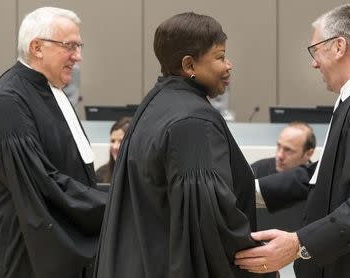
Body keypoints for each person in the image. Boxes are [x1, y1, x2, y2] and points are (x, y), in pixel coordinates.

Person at [235, 4, 350, 278]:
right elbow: (327, 174)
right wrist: (250, 190)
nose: (313, 61)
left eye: (316, 50)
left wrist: (299, 244)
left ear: (339, 47)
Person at [94, 12, 272, 278]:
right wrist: (262, 266)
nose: (228, 65)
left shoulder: (153, 104)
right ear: (189, 65)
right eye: (220, 57)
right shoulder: (193, 121)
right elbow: (211, 222)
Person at [0, 7, 107, 278]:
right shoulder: (7, 102)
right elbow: (41, 184)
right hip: (15, 259)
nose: (77, 57)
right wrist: (115, 203)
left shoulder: (52, 93)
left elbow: (73, 174)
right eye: (70, 46)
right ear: (37, 47)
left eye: (79, 46)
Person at [253, 122, 316, 229]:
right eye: (279, 146)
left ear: (308, 153)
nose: (279, 155)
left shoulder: (318, 183)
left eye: (288, 150)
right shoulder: (257, 170)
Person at [95, 117, 131, 183]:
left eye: (121, 141)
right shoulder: (100, 174)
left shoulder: (142, 175)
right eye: (113, 141)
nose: (115, 147)